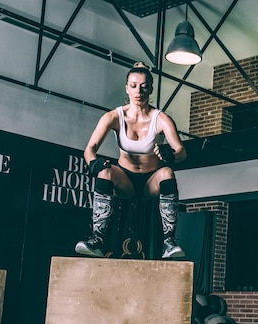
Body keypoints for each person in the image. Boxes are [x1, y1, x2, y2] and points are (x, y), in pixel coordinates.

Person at [75, 61, 187, 259]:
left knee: (167, 173)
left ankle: (169, 242)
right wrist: (93, 162)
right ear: (127, 88)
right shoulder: (114, 116)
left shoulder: (160, 119)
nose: (139, 91)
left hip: (150, 183)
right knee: (105, 172)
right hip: (125, 181)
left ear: (150, 89)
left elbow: (181, 151)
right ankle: (96, 240)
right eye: (134, 86)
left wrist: (171, 155)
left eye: (144, 86)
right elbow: (90, 149)